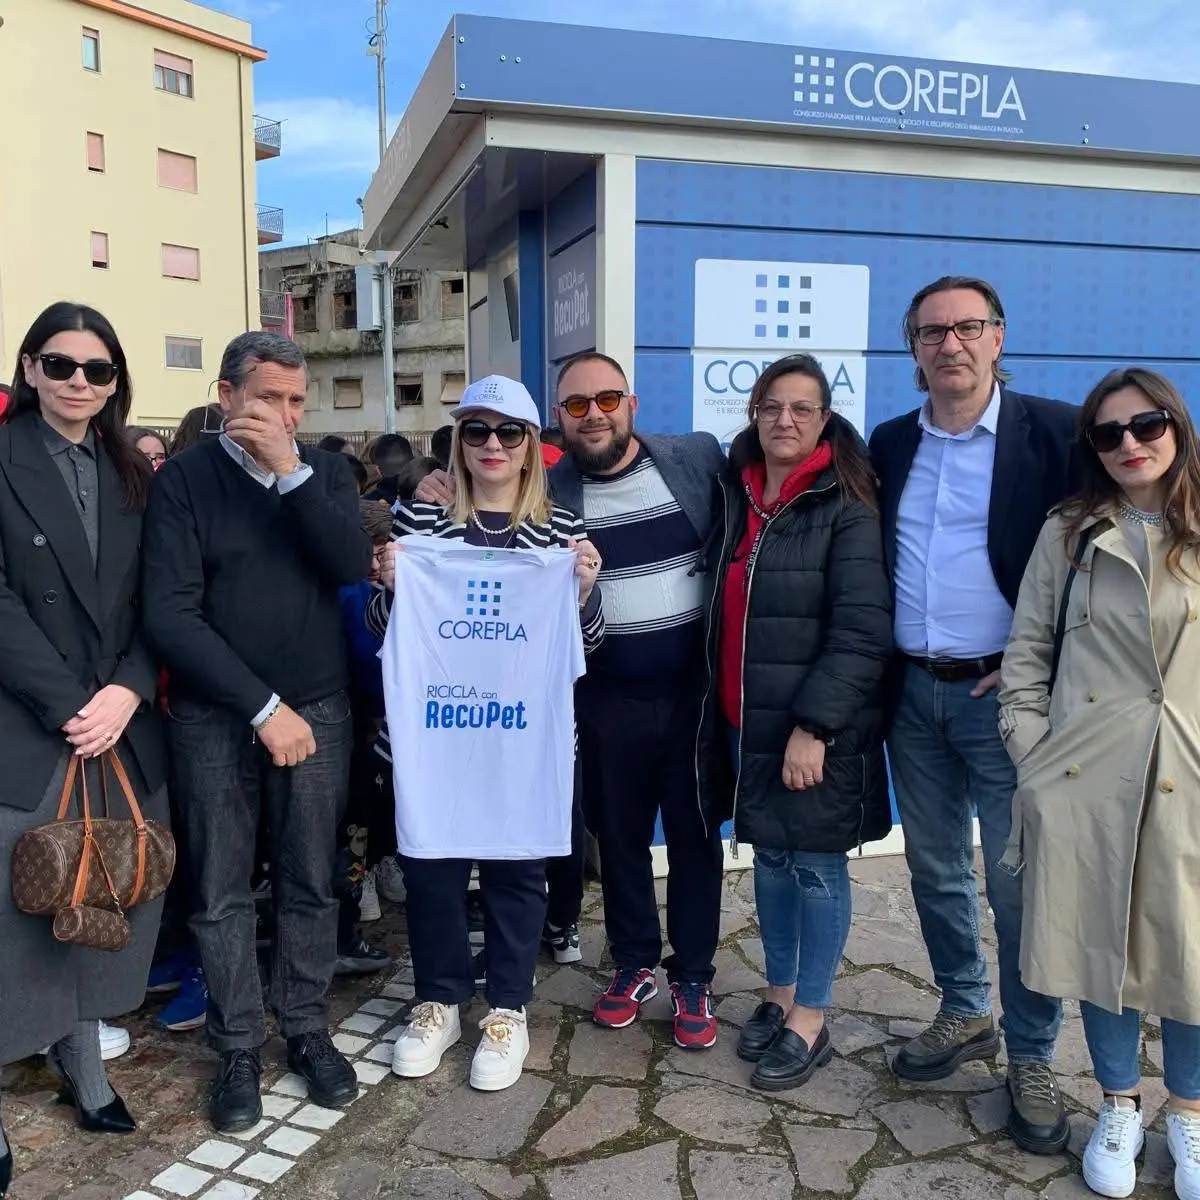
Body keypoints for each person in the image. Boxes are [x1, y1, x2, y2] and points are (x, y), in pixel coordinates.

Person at [141, 331, 370, 1134]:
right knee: (219, 888)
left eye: (296, 400)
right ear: (227, 395)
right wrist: (262, 708)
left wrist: (290, 473)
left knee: (311, 878)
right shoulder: (186, 480)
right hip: (215, 714)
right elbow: (170, 613)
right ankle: (237, 1044)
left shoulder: (324, 473)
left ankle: (305, 1027)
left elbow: (349, 563)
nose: (285, 414)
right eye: (268, 397)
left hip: (319, 706)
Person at [869, 276, 1077, 1152]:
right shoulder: (890, 443)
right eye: (932, 332)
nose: (950, 344)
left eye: (968, 327)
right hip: (913, 695)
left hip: (1007, 699)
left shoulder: (1057, 433)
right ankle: (964, 1008)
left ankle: (1032, 1054)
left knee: (1019, 883)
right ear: (913, 348)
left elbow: (1100, 557)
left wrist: (1045, 668)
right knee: (936, 868)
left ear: (998, 336)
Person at [369, 374, 604, 1092]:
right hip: (437, 733)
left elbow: (587, 645)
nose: (492, 444)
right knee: (431, 865)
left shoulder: (561, 532)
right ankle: (438, 999)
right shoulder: (419, 523)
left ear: (531, 444)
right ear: (459, 442)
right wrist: (391, 589)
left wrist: (583, 594)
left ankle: (507, 1006)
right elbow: (383, 635)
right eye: (476, 430)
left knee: (517, 865)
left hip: (521, 735)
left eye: (508, 432)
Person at [1001, 368, 1200, 1200]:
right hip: (1087, 778)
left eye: (1146, 425)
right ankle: (1119, 1104)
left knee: (1190, 952)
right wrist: (1036, 764)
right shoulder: (1070, 532)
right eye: (1108, 433)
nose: (1129, 444)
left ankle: (1188, 1112)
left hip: (1188, 776)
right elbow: (1027, 654)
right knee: (1101, 948)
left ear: (1177, 426)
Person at [0, 302, 168, 1197]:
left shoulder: (133, 470)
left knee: (103, 894)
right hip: (30, 722)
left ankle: (84, 1064)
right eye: (60, 364)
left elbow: (160, 598)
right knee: (15, 914)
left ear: (114, 382)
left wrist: (128, 689)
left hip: (120, 721)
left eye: (97, 369)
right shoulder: (2, 458)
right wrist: (75, 705)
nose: (78, 382)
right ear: (29, 368)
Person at [697, 354, 893, 1089]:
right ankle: (779, 994)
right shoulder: (735, 492)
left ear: (824, 419)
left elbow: (862, 628)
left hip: (813, 729)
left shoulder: (845, 502)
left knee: (814, 867)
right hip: (745, 721)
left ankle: (811, 1016)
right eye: (771, 406)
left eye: (801, 408)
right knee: (772, 863)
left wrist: (815, 727)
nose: (785, 420)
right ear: (754, 413)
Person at [552, 353, 726, 1049]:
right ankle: (632, 964)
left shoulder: (697, 459)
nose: (593, 414)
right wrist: (438, 482)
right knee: (619, 840)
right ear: (560, 418)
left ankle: (694, 974)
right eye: (577, 405)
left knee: (694, 840)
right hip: (604, 699)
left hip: (693, 699)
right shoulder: (550, 491)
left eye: (607, 399)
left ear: (632, 403)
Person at [335, 499, 400, 962]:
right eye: (369, 554)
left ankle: (369, 880)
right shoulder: (353, 593)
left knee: (364, 822)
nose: (377, 565)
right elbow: (369, 663)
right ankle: (352, 909)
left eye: (383, 553)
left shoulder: (371, 590)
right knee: (352, 830)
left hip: (368, 726)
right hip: (356, 725)